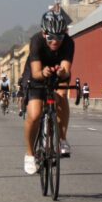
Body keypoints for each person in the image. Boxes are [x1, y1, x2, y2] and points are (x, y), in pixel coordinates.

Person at [22, 10, 75, 174]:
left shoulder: (68, 43)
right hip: (37, 73)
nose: (55, 42)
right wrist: (43, 73)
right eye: (51, 37)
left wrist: (61, 73)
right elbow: (37, 72)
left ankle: (62, 139)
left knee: (62, 95)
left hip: (57, 73)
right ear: (44, 33)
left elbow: (66, 70)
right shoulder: (36, 41)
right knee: (35, 114)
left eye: (59, 37)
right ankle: (30, 154)